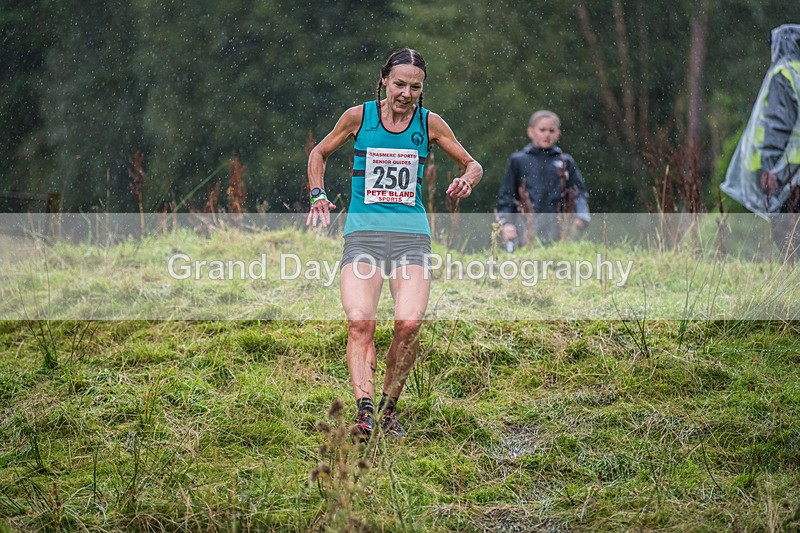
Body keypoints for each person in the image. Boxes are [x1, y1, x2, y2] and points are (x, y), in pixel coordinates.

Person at [306, 48, 482, 439]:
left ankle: (388, 409)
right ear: (384, 79)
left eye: (414, 87)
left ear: (422, 89)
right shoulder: (359, 117)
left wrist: (468, 179)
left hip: (411, 239)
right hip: (363, 235)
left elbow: (473, 163)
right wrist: (318, 194)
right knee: (359, 323)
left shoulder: (430, 124)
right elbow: (319, 152)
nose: (405, 93)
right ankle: (365, 413)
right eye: (399, 84)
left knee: (408, 325)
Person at [721, 24, 800, 260]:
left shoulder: (784, 75)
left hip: (788, 178)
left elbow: (774, 129)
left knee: (789, 241)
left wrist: (771, 170)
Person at [496, 110, 590, 248]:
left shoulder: (565, 161)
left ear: (558, 133)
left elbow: (579, 192)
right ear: (531, 132)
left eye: (552, 130)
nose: (547, 134)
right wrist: (506, 223)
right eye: (542, 130)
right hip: (526, 228)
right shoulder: (518, 160)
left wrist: (581, 215)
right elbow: (507, 196)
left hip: (559, 228)